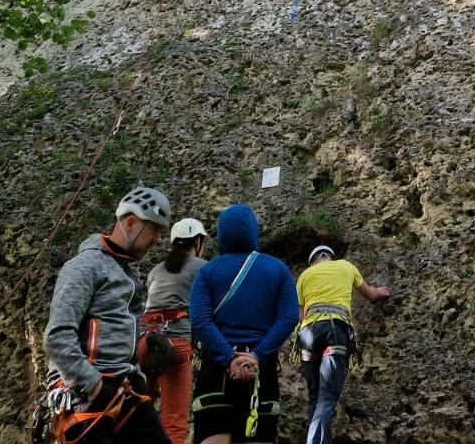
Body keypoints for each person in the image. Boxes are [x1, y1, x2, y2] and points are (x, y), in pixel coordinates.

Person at [43, 186, 174, 444]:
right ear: (131, 222)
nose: (158, 239)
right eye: (155, 229)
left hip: (125, 389)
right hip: (86, 392)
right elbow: (57, 336)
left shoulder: (129, 276)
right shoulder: (84, 266)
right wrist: (93, 385)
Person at [188, 206, 298, 444]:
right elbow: (289, 317)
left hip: (216, 370)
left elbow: (200, 320)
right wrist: (257, 356)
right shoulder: (278, 269)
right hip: (261, 370)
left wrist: (229, 358)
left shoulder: (207, 272)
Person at [294, 244, 390, 444]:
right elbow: (371, 295)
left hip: (308, 334)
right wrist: (380, 292)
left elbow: (300, 316)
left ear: (313, 261)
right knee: (327, 398)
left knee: (315, 397)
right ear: (330, 257)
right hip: (335, 330)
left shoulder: (305, 276)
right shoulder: (346, 266)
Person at [143, 218, 209, 444]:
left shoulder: (154, 271)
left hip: (145, 343)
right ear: (198, 241)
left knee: (140, 415)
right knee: (173, 420)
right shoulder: (202, 267)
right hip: (176, 344)